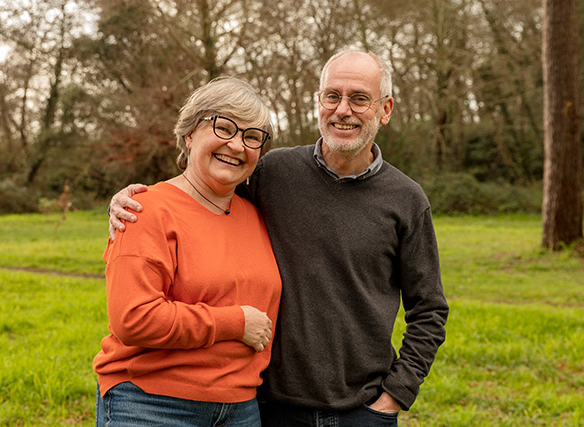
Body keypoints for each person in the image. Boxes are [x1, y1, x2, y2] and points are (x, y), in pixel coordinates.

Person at [108, 49, 449, 426]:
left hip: (363, 410)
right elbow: (203, 193)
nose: (342, 110)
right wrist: (132, 200)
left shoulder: (406, 199)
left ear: (385, 110)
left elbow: (429, 309)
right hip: (270, 406)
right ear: (319, 101)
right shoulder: (274, 173)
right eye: (332, 96)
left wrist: (395, 396)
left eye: (359, 99)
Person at [93, 76, 282, 427]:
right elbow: (133, 318)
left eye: (251, 136)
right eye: (224, 127)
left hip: (241, 407)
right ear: (189, 134)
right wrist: (235, 323)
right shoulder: (145, 210)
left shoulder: (258, 215)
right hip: (152, 405)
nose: (237, 145)